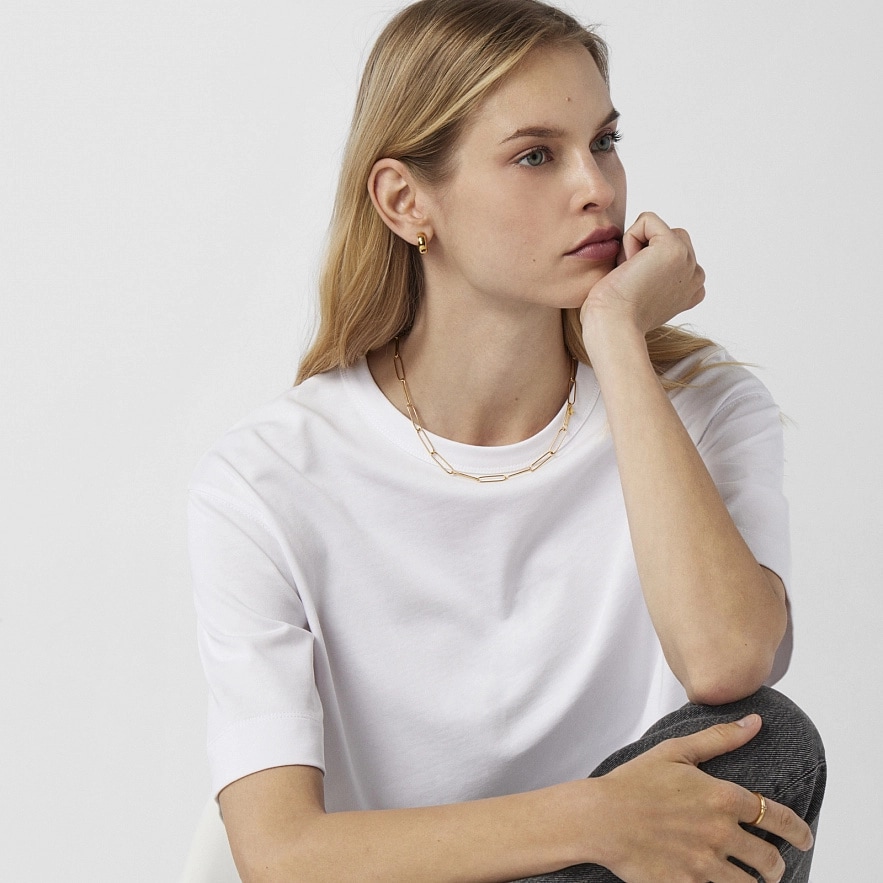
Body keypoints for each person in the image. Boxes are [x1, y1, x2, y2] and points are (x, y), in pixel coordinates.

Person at [187, 1, 826, 880]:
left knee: (770, 742)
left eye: (603, 141)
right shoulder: (268, 480)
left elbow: (725, 661)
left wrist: (615, 337)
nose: (596, 187)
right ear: (406, 201)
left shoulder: (705, 407)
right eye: (535, 155)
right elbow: (283, 853)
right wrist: (596, 818)